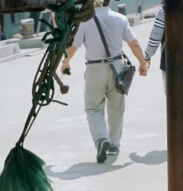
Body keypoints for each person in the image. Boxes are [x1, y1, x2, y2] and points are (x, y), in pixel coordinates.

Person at [62, 0, 148, 163]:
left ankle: (102, 139)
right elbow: (134, 43)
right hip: (117, 68)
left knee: (93, 108)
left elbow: (73, 47)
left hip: (95, 68)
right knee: (116, 108)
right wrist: (143, 63)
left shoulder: (85, 21)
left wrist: (65, 63)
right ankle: (114, 144)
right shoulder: (120, 19)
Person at [144, 0, 183, 142]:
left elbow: (155, 37)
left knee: (173, 98)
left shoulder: (165, 10)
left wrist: (147, 55)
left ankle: (177, 129)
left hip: (170, 62)